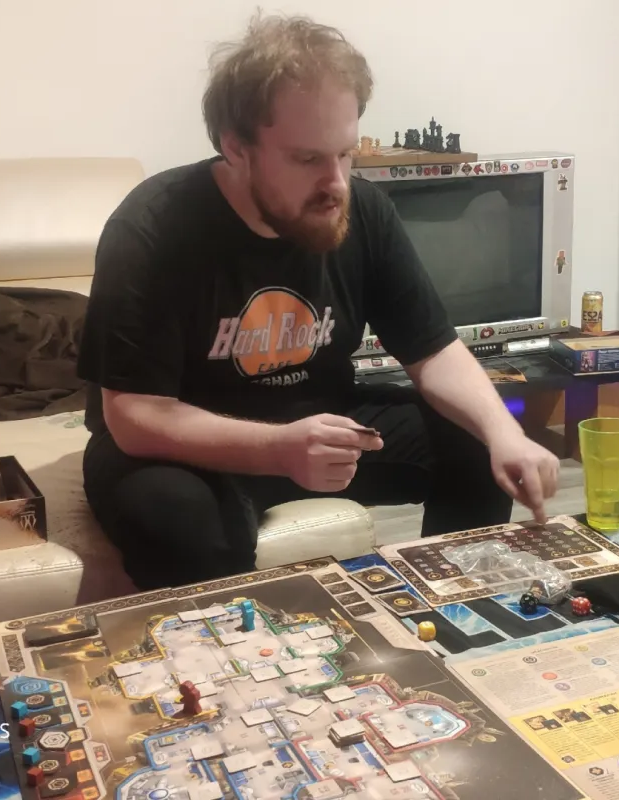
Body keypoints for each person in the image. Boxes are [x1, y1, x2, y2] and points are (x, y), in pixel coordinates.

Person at [78, 13, 559, 590]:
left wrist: (504, 432)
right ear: (236, 147)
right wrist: (278, 449)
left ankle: (452, 610)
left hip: (318, 423)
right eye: (308, 160)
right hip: (185, 445)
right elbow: (136, 417)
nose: (336, 183)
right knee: (175, 518)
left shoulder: (363, 210)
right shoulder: (152, 229)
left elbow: (432, 350)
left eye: (345, 154)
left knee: (476, 441)